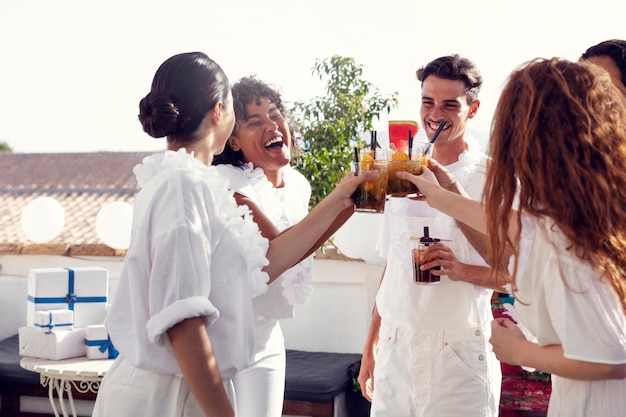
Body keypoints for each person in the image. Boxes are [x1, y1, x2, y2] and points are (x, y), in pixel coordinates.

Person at [92, 52, 376, 417]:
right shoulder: (183, 185)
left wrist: (345, 196)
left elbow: (267, 262)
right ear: (218, 112)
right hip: (165, 396)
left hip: (188, 390)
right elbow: (183, 320)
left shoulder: (192, 182)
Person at [402, 57, 626, 416]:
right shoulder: (581, 213)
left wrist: (521, 352)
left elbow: (613, 360)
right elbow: (520, 227)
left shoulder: (570, 230)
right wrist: (445, 194)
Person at [357, 54, 503, 417]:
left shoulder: (495, 179)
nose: (435, 114)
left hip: (457, 354)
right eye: (428, 101)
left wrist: (462, 269)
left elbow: (518, 272)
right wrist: (371, 344)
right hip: (395, 348)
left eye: (450, 105)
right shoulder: (397, 172)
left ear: (473, 109)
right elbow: (393, 266)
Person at [213, 76, 345, 417]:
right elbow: (281, 250)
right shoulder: (228, 181)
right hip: (222, 340)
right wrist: (345, 193)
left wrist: (358, 197)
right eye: (255, 122)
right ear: (234, 140)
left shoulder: (298, 184)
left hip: (268, 337)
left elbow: (309, 240)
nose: (271, 125)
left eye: (275, 114)